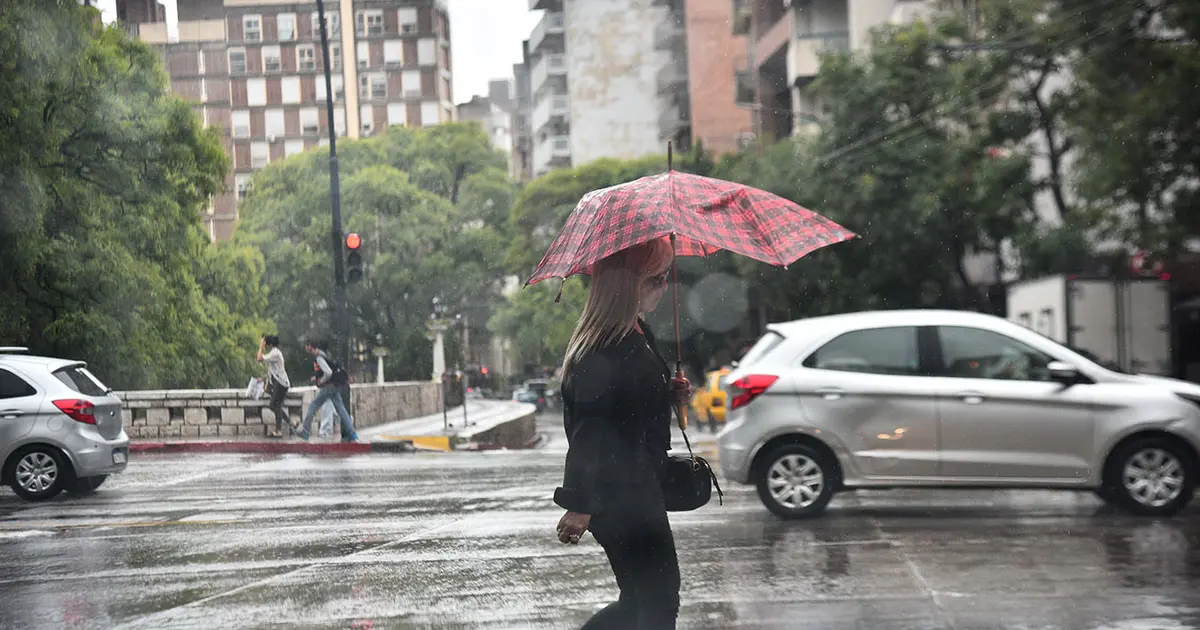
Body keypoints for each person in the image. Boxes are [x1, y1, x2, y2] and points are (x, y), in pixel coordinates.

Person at [552, 239, 692, 630]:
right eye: (657, 279)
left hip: (638, 486)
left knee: (641, 600)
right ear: (629, 284)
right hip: (619, 495)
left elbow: (627, 404)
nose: (665, 287)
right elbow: (590, 430)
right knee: (659, 599)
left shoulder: (636, 333)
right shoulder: (605, 347)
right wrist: (580, 504)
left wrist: (667, 393)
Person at [296, 341, 359, 443]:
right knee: (341, 410)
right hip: (335, 386)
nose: (306, 348)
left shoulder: (319, 357)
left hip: (328, 387)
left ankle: (305, 432)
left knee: (313, 406)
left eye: (307, 346)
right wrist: (317, 377)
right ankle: (353, 434)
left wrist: (321, 381)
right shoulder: (326, 355)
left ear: (310, 346)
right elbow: (329, 370)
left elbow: (328, 373)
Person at [257, 335, 292, 438]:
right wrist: (264, 380)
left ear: (270, 344)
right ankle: (291, 423)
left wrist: (260, 346)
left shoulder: (275, 353)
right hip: (278, 383)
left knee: (273, 405)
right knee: (277, 406)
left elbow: (259, 358)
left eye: (266, 344)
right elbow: (273, 370)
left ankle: (279, 430)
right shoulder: (274, 353)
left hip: (281, 384)